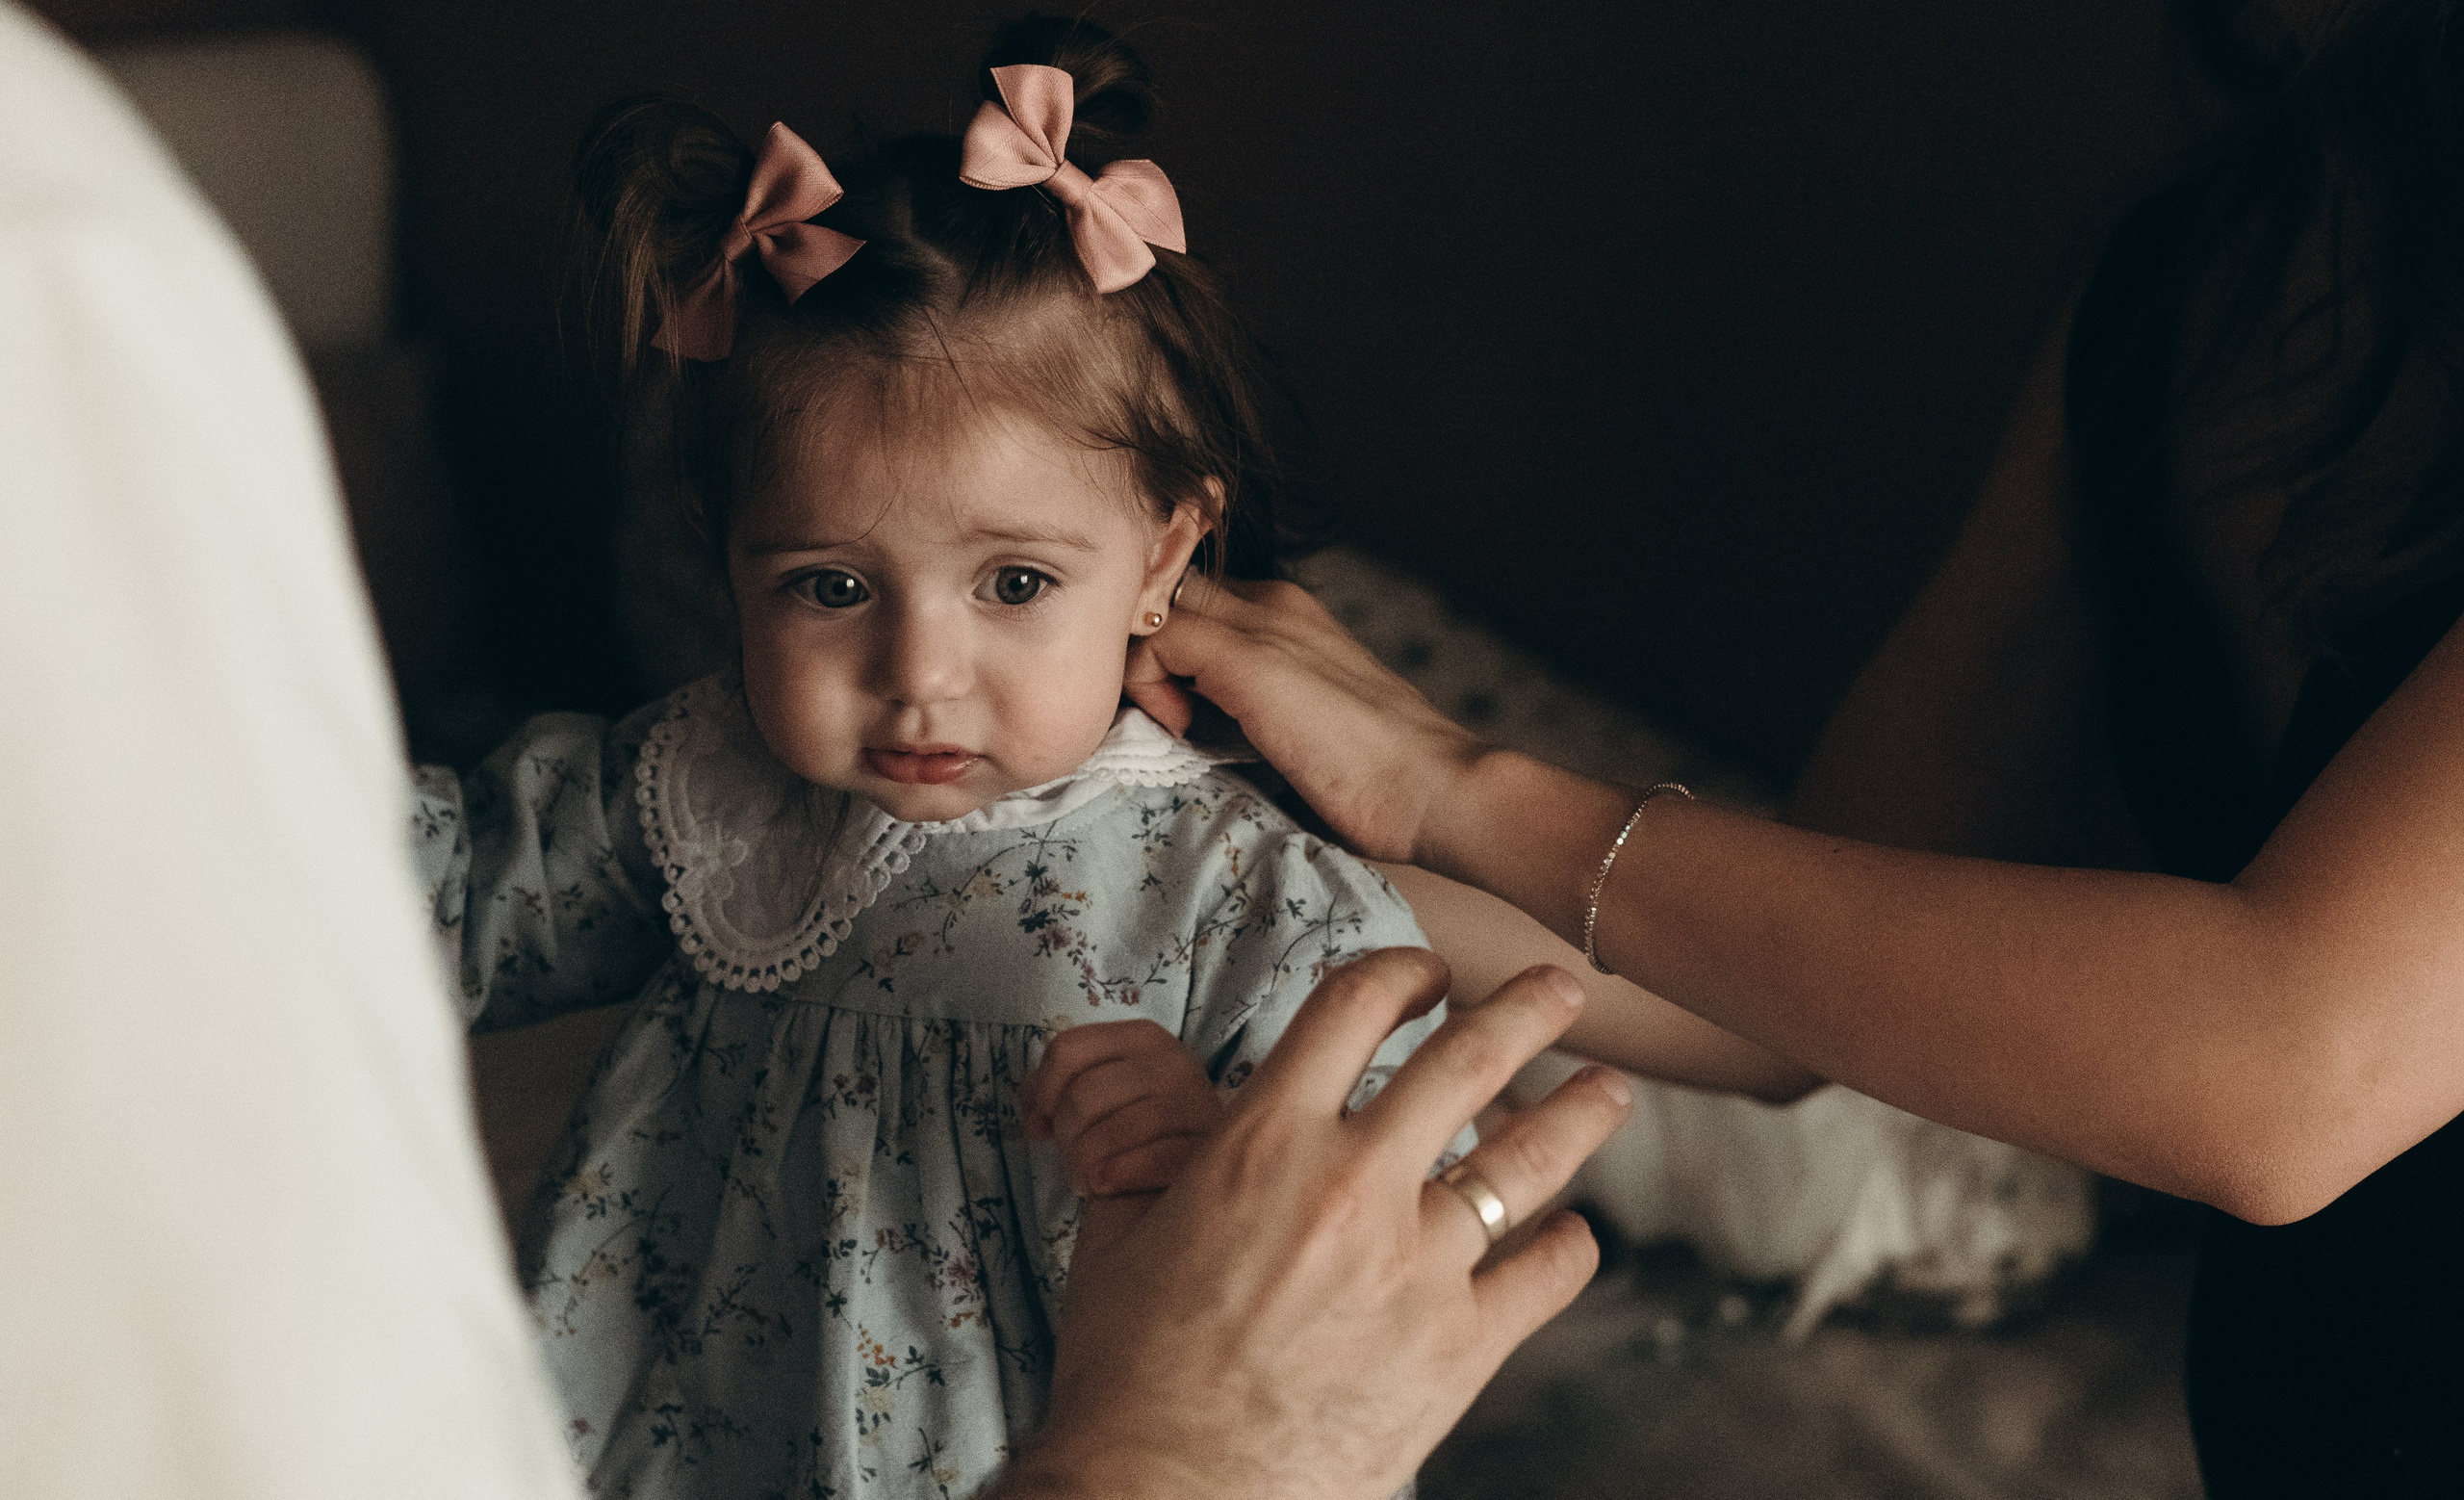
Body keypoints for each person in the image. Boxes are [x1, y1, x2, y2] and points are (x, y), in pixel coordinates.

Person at [1123, 0, 2464, 1490]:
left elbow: (2287, 1071)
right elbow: (1780, 988)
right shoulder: (2205, 276)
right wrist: (1200, 829)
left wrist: (1453, 778)